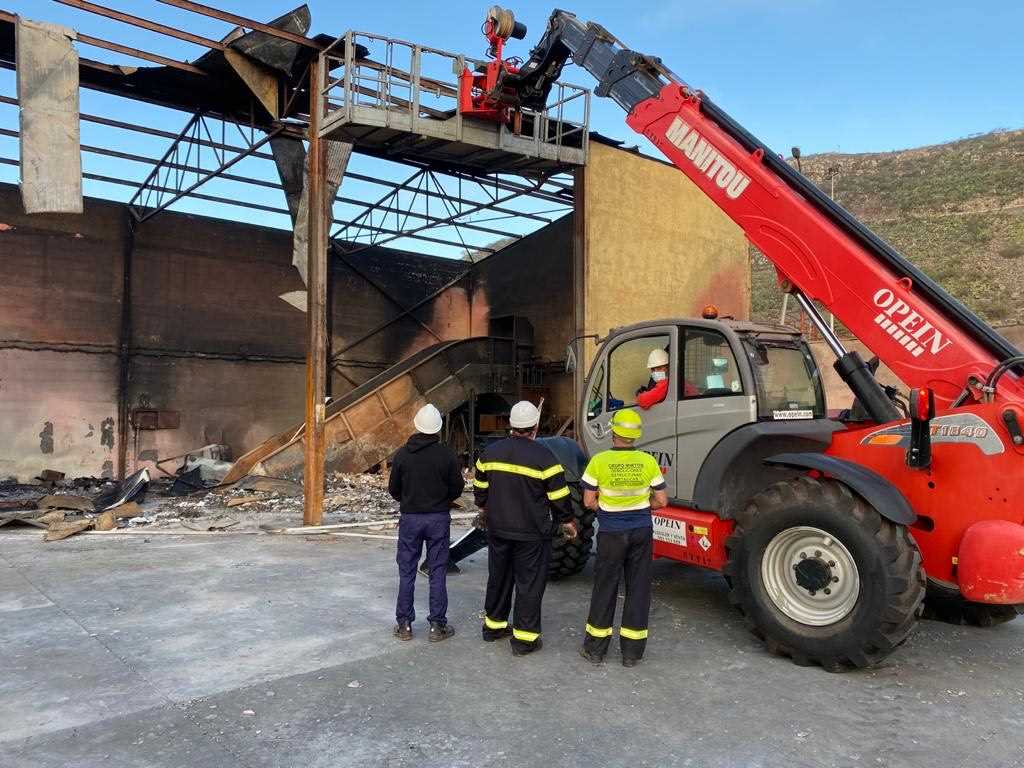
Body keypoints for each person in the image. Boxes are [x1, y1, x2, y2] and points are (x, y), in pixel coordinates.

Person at [473, 400, 577, 656]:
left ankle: (493, 627)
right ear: (535, 427)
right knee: (529, 583)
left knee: (498, 577)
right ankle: (524, 640)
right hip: (532, 533)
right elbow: (559, 496)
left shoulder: (490, 453)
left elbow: (480, 487)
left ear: (511, 425)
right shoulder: (545, 457)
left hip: (498, 529)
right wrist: (567, 521)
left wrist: (484, 507)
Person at [577, 408, 668, 667]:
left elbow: (588, 501)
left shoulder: (599, 461)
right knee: (638, 588)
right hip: (641, 531)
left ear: (613, 432)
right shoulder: (648, 462)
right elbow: (662, 500)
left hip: (611, 532)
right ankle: (631, 654)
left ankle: (595, 650)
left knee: (605, 586)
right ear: (636, 435)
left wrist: (607, 508)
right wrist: (641, 507)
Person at [388, 403, 465, 643]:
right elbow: (457, 487)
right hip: (438, 519)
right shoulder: (447, 455)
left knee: (407, 571)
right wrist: (441, 499)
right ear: (438, 429)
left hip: (410, 519)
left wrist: (410, 500)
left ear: (417, 426)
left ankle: (404, 625)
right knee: (437, 571)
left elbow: (394, 489)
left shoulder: (402, 455)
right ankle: (437, 626)